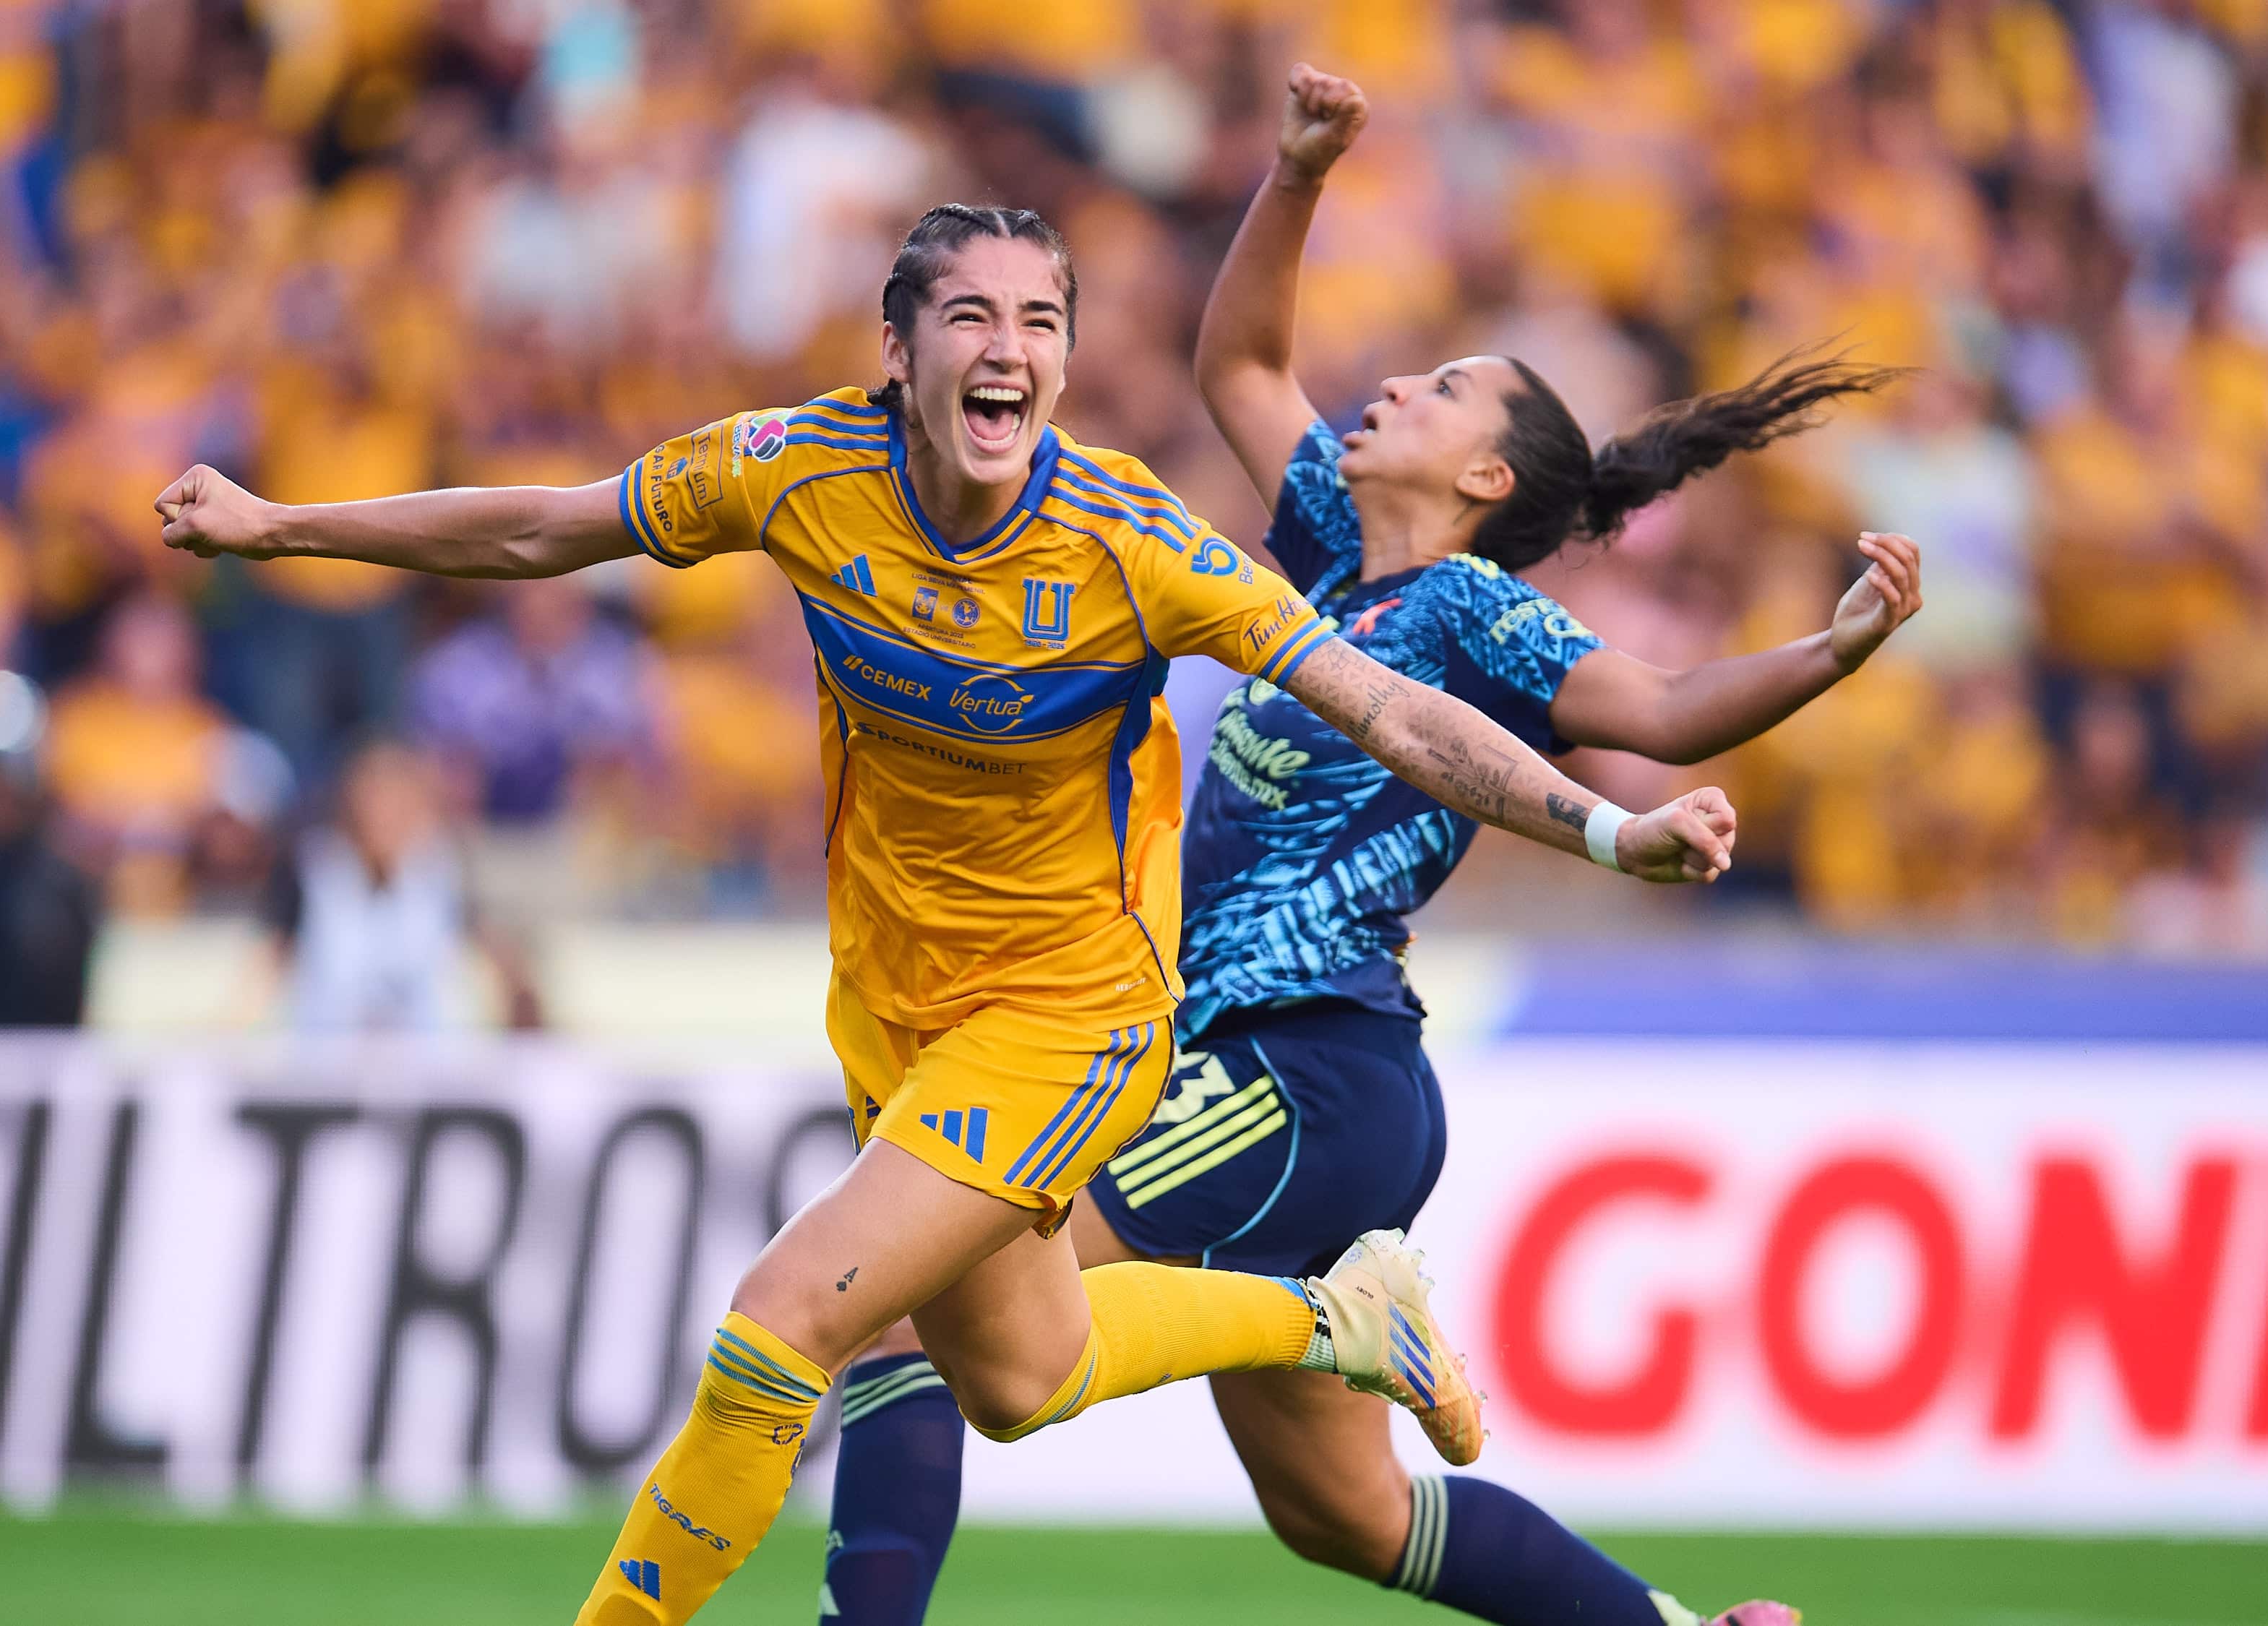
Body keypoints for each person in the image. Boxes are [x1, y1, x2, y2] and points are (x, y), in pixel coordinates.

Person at [153, 199, 1740, 1626]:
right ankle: (1329, 1327)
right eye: (971, 318)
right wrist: (287, 528)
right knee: (1021, 1374)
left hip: (1078, 1010)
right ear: (898, 351)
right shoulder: (793, 472)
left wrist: (1607, 829)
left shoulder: (1131, 539)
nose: (1009, 350)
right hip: (898, 998)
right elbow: (544, 524)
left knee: (788, 1324)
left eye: (1040, 322)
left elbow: (1403, 717)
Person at [815, 68, 1923, 1626]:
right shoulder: (1333, 556)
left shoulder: (1467, 612)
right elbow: (1240, 359)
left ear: (1485, 480)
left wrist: (1833, 649)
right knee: (1346, 1518)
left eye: (1444, 388)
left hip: (1295, 1065)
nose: (1393, 386)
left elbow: (1660, 706)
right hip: (1270, 1068)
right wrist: (1296, 172)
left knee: (910, 1314)